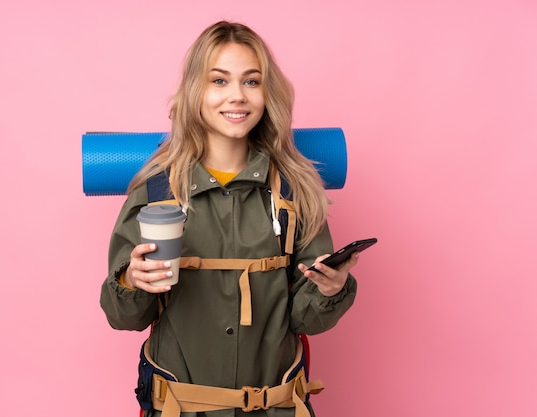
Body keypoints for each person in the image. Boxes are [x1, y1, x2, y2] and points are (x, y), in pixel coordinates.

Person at [100, 21, 359, 417]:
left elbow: (304, 318)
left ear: (267, 93)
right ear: (195, 92)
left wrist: (330, 288)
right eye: (219, 81)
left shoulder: (294, 191)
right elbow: (125, 317)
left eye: (251, 82)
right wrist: (131, 281)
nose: (236, 96)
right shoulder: (155, 191)